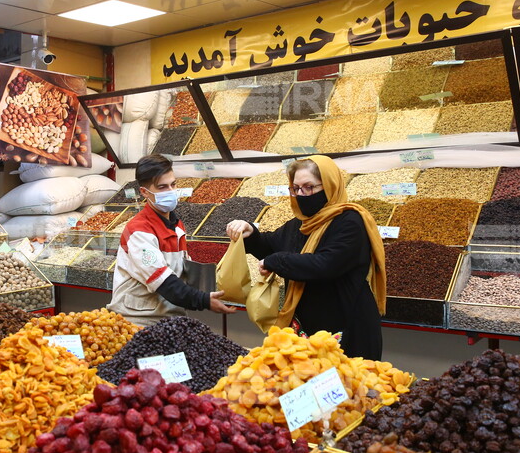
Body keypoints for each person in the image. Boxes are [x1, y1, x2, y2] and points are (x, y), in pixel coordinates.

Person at [226, 155, 387, 359]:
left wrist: (276, 261)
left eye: (309, 187)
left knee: (351, 386)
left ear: (329, 185)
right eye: (295, 188)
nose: (301, 195)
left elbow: (324, 264)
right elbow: (270, 245)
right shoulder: (300, 224)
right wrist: (250, 232)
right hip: (307, 328)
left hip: (348, 326)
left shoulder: (350, 222)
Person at [107, 154, 236, 327]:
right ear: (145, 192)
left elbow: (182, 271)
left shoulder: (176, 225)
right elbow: (165, 282)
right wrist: (203, 300)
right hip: (136, 321)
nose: (170, 191)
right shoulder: (139, 231)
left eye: (173, 184)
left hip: (169, 318)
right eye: (162, 187)